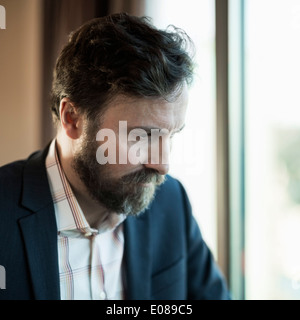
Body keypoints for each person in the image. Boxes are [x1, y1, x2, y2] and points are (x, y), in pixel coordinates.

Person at [0, 13, 230, 300]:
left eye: (171, 135)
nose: (162, 165)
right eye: (141, 136)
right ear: (72, 118)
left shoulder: (171, 203)